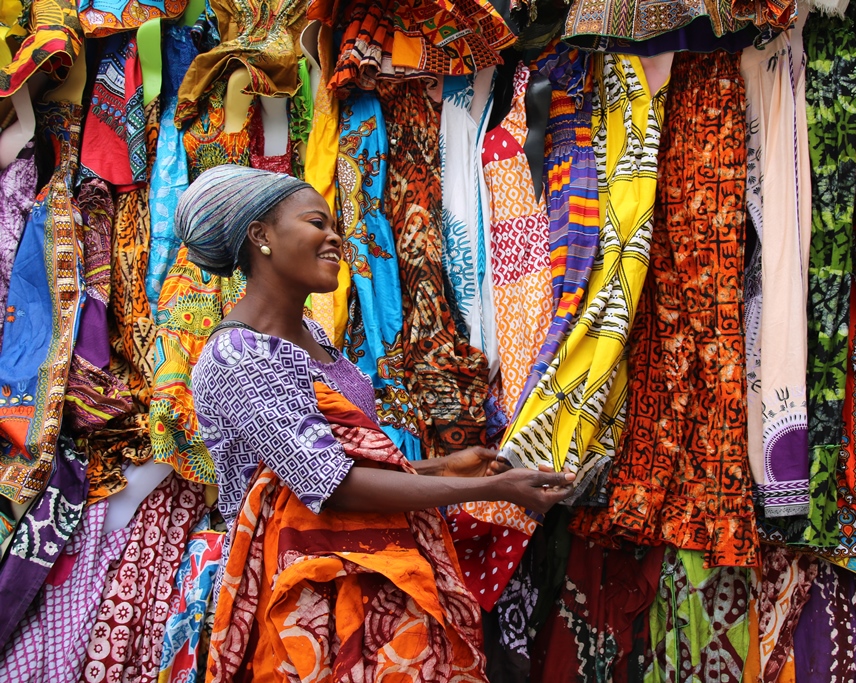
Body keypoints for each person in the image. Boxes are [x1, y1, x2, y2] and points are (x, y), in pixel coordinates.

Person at [177, 164, 573, 681]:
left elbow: (344, 461)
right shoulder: (237, 356)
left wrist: (446, 467)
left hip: (365, 578)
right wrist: (500, 487)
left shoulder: (314, 337)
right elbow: (332, 486)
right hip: (308, 598)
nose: (334, 236)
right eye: (316, 223)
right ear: (261, 236)